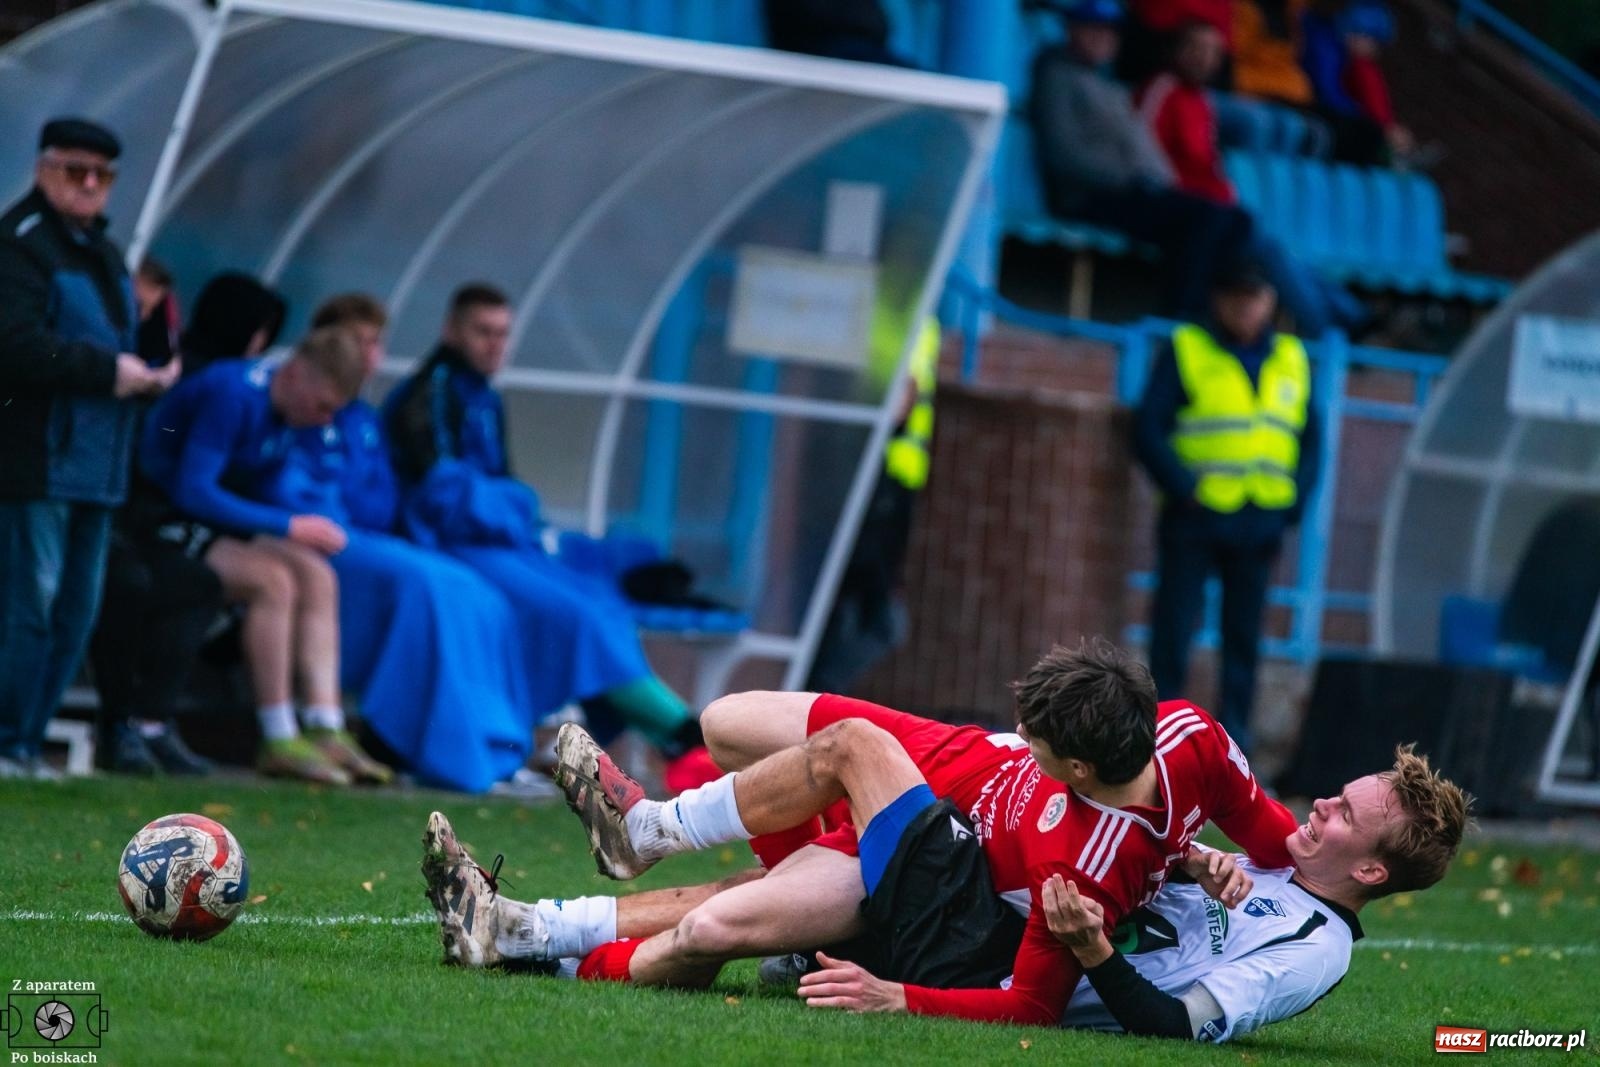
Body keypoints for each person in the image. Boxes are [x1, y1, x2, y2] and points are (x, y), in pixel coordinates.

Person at [423, 641, 1300, 1025]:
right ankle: (631, 860)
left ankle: (554, 907)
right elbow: (1275, 836)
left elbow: (1033, 1002)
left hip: (937, 862)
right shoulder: (1188, 733)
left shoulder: (1088, 862)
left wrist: (898, 998)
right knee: (728, 722)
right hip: (943, 767)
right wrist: (1243, 865)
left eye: (1038, 739)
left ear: (1075, 769)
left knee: (717, 923)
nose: (1026, 739)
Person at [383, 283, 716, 793]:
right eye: (482, 332)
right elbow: (442, 494)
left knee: (599, 600)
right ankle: (681, 735)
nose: (494, 345)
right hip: (451, 546)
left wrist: (515, 512)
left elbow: (494, 486)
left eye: (502, 334)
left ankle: (673, 737)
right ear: (451, 331)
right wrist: (513, 507)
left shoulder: (485, 396)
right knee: (572, 615)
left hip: (497, 541)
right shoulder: (429, 392)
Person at [1050, 744, 1469, 1040]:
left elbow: (1177, 1024)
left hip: (1022, 967)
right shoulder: (1277, 864)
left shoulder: (1316, 949)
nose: (1321, 803)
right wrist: (1186, 860)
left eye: (1345, 814)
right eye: (1339, 795)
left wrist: (1092, 949)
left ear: (1369, 870)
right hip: (1025, 915)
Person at [293, 293, 534, 793]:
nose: (369, 354)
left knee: (478, 592)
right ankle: (435, 747)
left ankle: (498, 747)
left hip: (375, 541)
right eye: (357, 342)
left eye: (376, 342)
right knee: (432, 586)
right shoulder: (310, 407)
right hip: (333, 544)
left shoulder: (362, 418)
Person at [0, 117, 181, 780]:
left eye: (101, 175)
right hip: (38, 461)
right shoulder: (19, 244)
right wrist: (110, 371)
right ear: (44, 168)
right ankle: (8, 741)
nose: (87, 185)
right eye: (74, 170)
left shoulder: (106, 253)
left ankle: (25, 742)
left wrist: (153, 371)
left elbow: (119, 338)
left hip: (98, 466)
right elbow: (13, 344)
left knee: (75, 611)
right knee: (31, 603)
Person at [140, 326, 391, 785]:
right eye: (322, 406)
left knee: (318, 575)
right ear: (295, 374)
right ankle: (277, 734)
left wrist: (300, 521)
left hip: (209, 526)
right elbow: (192, 489)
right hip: (153, 520)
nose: (323, 420)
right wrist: (287, 524)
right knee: (272, 580)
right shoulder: (234, 393)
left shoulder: (288, 414)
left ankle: (325, 726)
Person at [1134, 257, 1321, 757]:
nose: (1245, 307)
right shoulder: (1188, 349)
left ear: (1271, 302)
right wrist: (1183, 488)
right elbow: (1147, 429)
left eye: (1254, 296)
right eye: (1236, 296)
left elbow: (1311, 442)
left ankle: (1235, 749)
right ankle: (1158, 744)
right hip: (1194, 519)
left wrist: (1292, 506)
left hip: (1258, 522)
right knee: (1173, 634)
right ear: (1218, 299)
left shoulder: (1293, 358)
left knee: (1243, 642)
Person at [1030, 1, 1252, 319]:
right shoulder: (1057, 75)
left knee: (1235, 220)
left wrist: (1157, 180)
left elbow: (1145, 148)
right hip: (1092, 195)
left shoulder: (1103, 82)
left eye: (1109, 33)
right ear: (1072, 29)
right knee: (1205, 219)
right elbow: (1064, 155)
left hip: (1135, 190)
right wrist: (1135, 179)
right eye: (1094, 29)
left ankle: (1216, 318)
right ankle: (1181, 317)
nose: (1102, 39)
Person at [88, 257, 221, 776]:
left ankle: (149, 723)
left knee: (195, 583)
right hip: (72, 505)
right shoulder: (96, 355)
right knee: (126, 583)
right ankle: (112, 723)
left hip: (122, 521)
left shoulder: (164, 372)